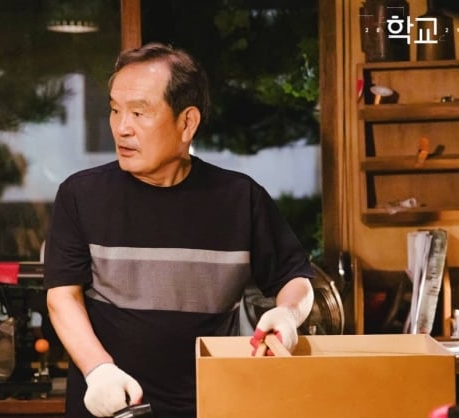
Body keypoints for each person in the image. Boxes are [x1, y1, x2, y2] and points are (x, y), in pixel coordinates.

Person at [43, 42, 315, 418]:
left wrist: (287, 314)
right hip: (113, 406)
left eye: (139, 113)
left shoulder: (240, 198)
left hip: (212, 406)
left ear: (187, 123)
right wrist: (98, 370)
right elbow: (62, 297)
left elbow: (296, 278)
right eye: (115, 110)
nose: (122, 128)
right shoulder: (81, 195)